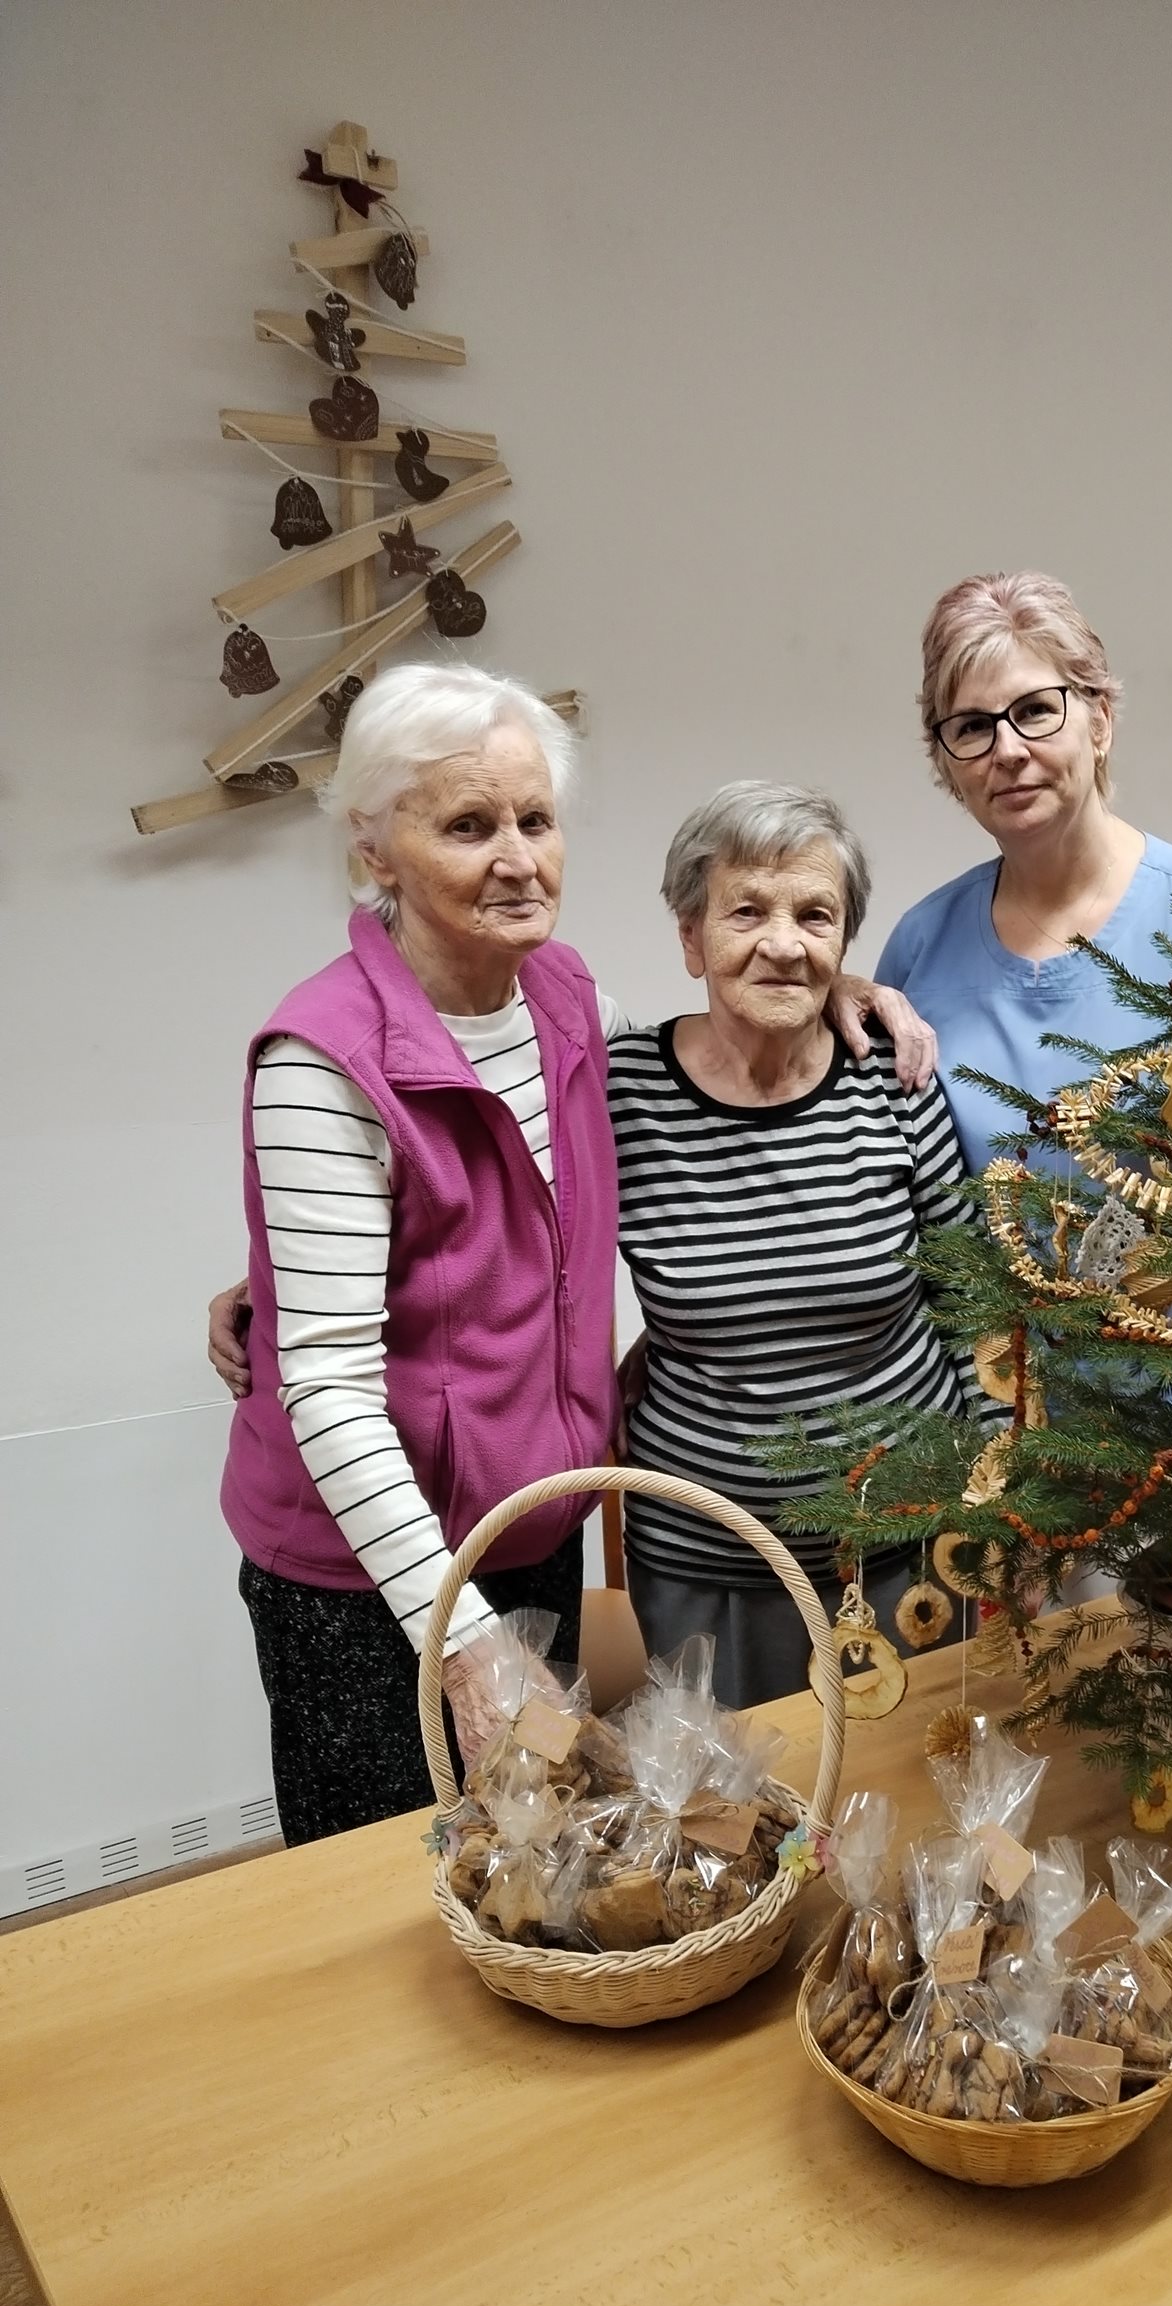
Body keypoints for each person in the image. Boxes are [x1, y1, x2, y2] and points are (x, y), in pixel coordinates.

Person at [211, 671, 933, 1842]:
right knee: (390, 1887)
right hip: (371, 1574)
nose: (516, 859)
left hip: (527, 1529)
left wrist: (820, 978)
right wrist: (465, 1642)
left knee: (538, 1874)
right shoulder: (321, 1055)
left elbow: (641, 1132)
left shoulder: (562, 997)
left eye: (535, 820)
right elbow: (330, 1384)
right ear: (374, 848)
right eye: (467, 825)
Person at [609, 781, 975, 1705]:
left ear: (844, 943)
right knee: (732, 1790)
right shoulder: (620, 1093)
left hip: (909, 1548)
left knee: (917, 1779)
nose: (783, 943)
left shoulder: (890, 1076)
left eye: (816, 915)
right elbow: (530, 1262)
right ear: (690, 936)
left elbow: (973, 1302)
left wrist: (1000, 1504)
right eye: (746, 911)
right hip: (704, 1562)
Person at [874, 569, 1172, 1171]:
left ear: (1100, 722)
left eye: (1035, 710)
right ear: (946, 762)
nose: (1008, 750)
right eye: (972, 726)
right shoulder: (919, 946)